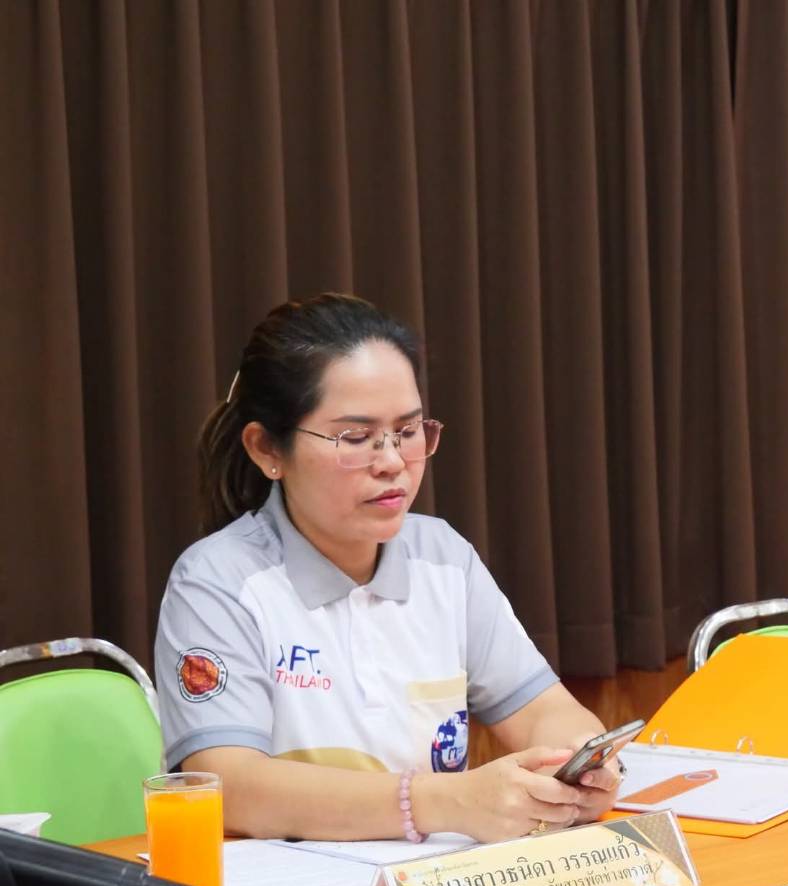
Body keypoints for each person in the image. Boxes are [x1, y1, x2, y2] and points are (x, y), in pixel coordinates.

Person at [155, 293, 617, 842]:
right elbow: (229, 785)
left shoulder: (443, 557)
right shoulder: (217, 581)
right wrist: (442, 802)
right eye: (355, 438)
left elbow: (543, 710)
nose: (393, 462)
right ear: (267, 449)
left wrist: (580, 762)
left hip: (436, 880)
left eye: (408, 431)